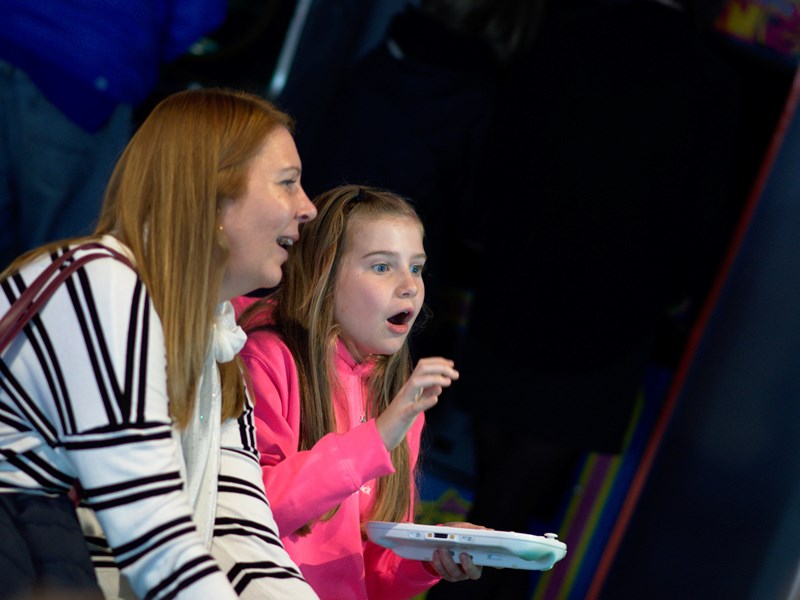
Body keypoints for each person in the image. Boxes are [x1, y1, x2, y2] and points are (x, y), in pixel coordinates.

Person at [0, 88, 319, 600]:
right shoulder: (98, 286)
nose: (307, 209)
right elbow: (154, 533)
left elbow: (240, 533)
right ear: (214, 195)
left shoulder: (216, 341)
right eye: (287, 184)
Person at [234, 184, 483, 600]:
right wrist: (378, 437)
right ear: (323, 275)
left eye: (417, 268)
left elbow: (377, 575)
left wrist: (427, 556)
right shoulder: (268, 358)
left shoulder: (400, 404)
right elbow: (251, 510)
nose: (409, 286)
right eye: (383, 267)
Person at [0, 0, 227, 270]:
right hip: (86, 75)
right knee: (58, 262)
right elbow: (198, 14)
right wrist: (138, 51)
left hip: (9, 34)